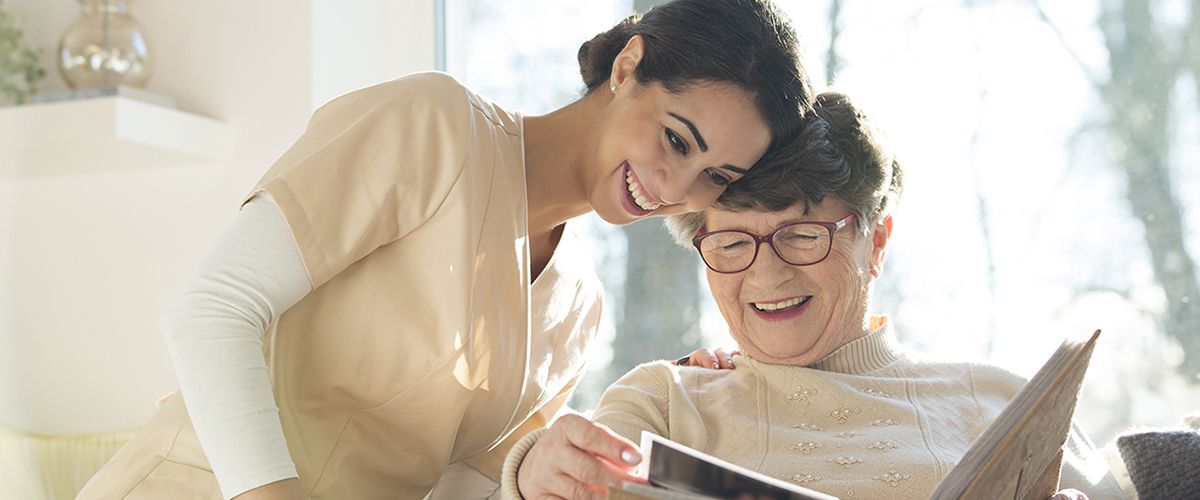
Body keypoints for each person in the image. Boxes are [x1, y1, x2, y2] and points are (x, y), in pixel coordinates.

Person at [73, 1, 815, 499]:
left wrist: (671, 412)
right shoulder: (435, 126)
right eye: (677, 140)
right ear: (627, 69)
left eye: (714, 176)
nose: (674, 186)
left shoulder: (578, 308)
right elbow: (209, 312)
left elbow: (466, 481)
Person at [502, 91, 1126, 500]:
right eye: (732, 244)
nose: (767, 277)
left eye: (802, 236)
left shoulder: (1001, 400)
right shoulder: (665, 400)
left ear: (876, 240)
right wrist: (531, 477)